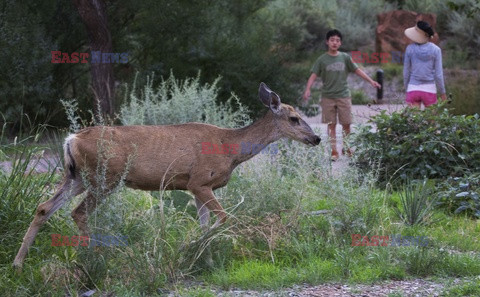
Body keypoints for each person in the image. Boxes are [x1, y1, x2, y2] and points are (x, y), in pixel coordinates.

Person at [303, 29, 381, 161]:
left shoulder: (345, 57)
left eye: (337, 40)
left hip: (344, 96)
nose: (334, 42)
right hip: (327, 97)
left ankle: (347, 146)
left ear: (340, 43)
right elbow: (313, 75)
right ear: (327, 42)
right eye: (332, 40)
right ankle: (334, 151)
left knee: (346, 124)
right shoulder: (322, 60)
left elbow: (357, 70)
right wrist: (307, 89)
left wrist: (371, 81)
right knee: (331, 125)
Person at [403, 21, 447, 108]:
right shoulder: (436, 50)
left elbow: (406, 72)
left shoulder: (410, 49)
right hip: (429, 89)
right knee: (432, 120)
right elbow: (438, 75)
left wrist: (406, 89)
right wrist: (442, 92)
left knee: (414, 120)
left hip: (413, 88)